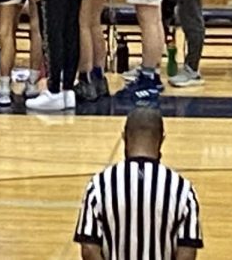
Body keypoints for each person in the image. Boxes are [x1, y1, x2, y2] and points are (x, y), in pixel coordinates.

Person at [74, 107, 203, 259]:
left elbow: (89, 249)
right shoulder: (183, 191)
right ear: (162, 139)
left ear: (124, 137)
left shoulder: (98, 187)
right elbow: (188, 253)